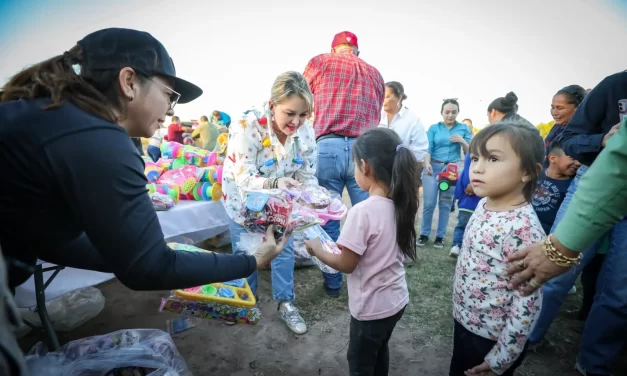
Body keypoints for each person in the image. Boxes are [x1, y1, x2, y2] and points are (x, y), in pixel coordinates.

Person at [0, 28, 287, 293]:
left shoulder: (53, 118)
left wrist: (133, 251)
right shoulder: (96, 136)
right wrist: (251, 261)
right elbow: (149, 269)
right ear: (129, 82)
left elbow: (51, 241)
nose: (169, 110)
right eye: (168, 95)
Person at [506, 71, 627, 376]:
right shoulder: (614, 86)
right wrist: (603, 139)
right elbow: (572, 139)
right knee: (556, 272)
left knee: (619, 292)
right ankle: (526, 337)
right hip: (595, 178)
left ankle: (593, 363)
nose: (554, 111)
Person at [304, 127, 418, 376]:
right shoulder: (401, 204)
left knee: (360, 363)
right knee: (379, 350)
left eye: (355, 165)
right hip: (396, 301)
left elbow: (346, 263)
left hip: (371, 309)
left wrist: (315, 249)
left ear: (364, 167)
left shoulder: (362, 211)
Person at [221, 71, 318, 334]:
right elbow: (242, 176)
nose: (296, 122)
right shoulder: (246, 125)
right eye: (290, 113)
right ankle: (243, 303)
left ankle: (286, 304)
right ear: (272, 105)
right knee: (245, 252)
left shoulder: (305, 130)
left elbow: (308, 172)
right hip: (242, 201)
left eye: (303, 114)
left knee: (282, 250)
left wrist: (315, 199)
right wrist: (276, 184)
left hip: (280, 204)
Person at [450, 122, 545, 376]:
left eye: (493, 158)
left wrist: (501, 358)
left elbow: (528, 301)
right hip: (465, 321)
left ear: (528, 172)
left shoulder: (522, 230)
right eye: (475, 158)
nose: (477, 167)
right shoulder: (483, 204)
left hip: (491, 336)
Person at [303, 31, 385, 296]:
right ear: (356, 51)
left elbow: (302, 98)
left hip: (328, 145)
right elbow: (378, 110)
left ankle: (333, 281)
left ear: (334, 48)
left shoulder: (320, 62)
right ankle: (370, 276)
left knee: (328, 215)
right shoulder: (374, 73)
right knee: (371, 215)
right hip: (364, 152)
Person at [418, 99, 472, 248]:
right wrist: (427, 163)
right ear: (442, 112)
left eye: (453, 112)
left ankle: (440, 236)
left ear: (458, 113)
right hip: (432, 167)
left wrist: (462, 141)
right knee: (429, 203)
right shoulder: (434, 128)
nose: (450, 115)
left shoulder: (463, 129)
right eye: (447, 112)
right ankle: (424, 234)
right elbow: (428, 148)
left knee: (445, 204)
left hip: (451, 171)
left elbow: (469, 152)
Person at [532, 141, 580, 234]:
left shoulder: (572, 187)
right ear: (553, 158)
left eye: (579, 159)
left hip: (545, 234)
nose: (578, 163)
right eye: (572, 158)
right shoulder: (536, 173)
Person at [378, 81, 428, 165]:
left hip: (402, 169)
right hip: (378, 168)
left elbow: (420, 151)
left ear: (399, 98)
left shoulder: (413, 120)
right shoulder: (377, 116)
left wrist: (401, 162)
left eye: (387, 97)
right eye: (381, 96)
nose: (382, 100)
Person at [544, 85, 587, 151]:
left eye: (560, 108)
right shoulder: (558, 126)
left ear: (578, 108)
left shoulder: (582, 133)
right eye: (552, 107)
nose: (554, 112)